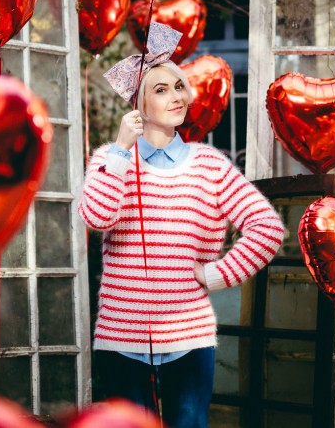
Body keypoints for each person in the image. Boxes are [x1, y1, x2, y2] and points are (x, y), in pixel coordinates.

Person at [80, 23, 287, 428]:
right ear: (137, 105)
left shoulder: (209, 165)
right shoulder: (110, 159)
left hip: (188, 337)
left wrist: (213, 274)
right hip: (120, 337)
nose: (177, 96)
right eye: (161, 89)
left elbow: (267, 228)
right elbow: (97, 216)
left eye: (179, 86)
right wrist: (122, 151)